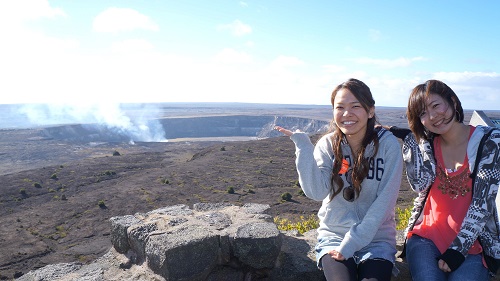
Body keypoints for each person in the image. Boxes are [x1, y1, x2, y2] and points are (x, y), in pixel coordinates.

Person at [275, 78, 403, 281]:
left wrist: (353, 243)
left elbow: (384, 204)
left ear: (370, 111)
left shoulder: (388, 146)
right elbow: (316, 192)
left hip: (376, 240)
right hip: (334, 236)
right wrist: (303, 147)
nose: (346, 114)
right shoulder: (328, 144)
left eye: (355, 106)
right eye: (340, 107)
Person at [385, 79, 500, 281]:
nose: (432, 116)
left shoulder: (489, 142)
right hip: (425, 237)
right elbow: (419, 185)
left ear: (453, 102)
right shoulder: (429, 145)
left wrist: (457, 251)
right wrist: (413, 142)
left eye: (436, 105)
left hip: (473, 244)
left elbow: (483, 204)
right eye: (422, 113)